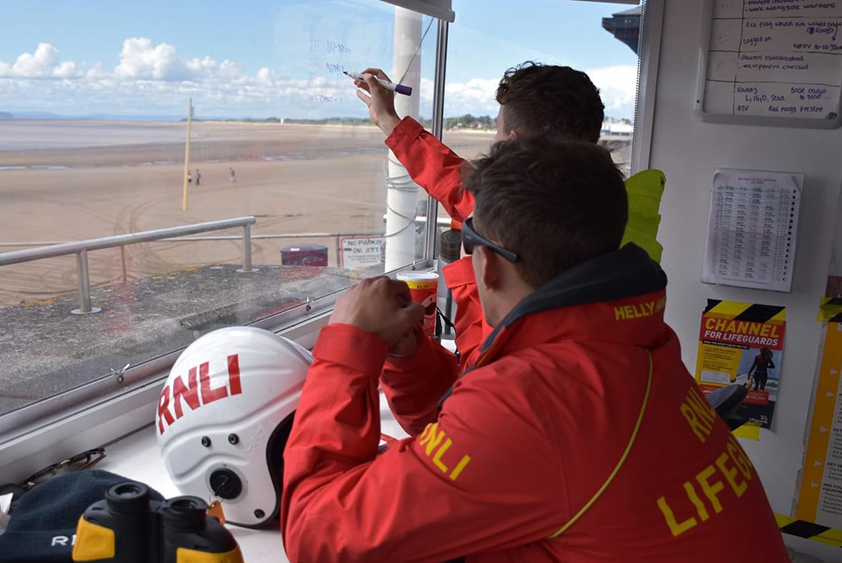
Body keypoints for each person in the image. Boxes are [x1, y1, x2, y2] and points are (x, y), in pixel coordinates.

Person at [281, 137, 789, 563]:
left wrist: (348, 346)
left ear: (489, 266)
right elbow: (481, 443)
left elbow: (315, 536)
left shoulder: (540, 399)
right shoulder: (632, 342)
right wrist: (410, 359)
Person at [354, 62, 662, 371]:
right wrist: (390, 120)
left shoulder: (514, 216)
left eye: (498, 134)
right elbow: (456, 180)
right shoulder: (603, 209)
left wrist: (388, 118)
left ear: (513, 143)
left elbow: (454, 182)